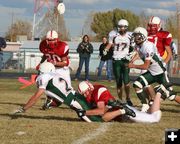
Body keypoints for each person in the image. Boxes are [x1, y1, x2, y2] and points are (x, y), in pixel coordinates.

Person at [13, 62, 102, 122]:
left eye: (39, 71)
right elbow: (59, 95)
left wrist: (24, 108)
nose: (39, 72)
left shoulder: (44, 77)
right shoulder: (56, 75)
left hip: (75, 102)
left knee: (98, 120)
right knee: (91, 115)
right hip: (76, 98)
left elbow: (37, 95)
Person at [128, 27, 171, 112]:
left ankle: (156, 97)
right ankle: (145, 104)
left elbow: (145, 66)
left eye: (137, 36)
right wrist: (132, 60)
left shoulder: (148, 46)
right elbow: (140, 53)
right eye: (135, 36)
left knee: (170, 94)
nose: (135, 38)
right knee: (137, 84)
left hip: (160, 72)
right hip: (152, 72)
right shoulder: (140, 45)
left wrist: (133, 65)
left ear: (143, 36)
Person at [36, 30, 72, 109]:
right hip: (51, 68)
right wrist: (41, 63)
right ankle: (49, 100)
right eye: (49, 40)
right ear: (46, 40)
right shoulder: (43, 45)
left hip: (62, 69)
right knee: (49, 85)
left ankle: (71, 103)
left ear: (56, 39)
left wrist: (55, 63)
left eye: (52, 40)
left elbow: (65, 62)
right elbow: (45, 54)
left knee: (67, 89)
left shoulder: (62, 46)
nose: (51, 42)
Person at [103, 19, 133, 106]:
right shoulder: (113, 34)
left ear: (126, 27)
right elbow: (110, 43)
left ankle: (128, 98)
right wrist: (106, 49)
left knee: (126, 80)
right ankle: (120, 100)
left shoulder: (130, 35)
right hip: (116, 59)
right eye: (120, 27)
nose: (122, 29)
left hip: (125, 59)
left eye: (123, 27)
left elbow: (134, 48)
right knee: (119, 81)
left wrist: (130, 55)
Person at [145, 16, 173, 102]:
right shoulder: (146, 34)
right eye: (151, 25)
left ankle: (157, 98)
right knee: (144, 84)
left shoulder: (164, 34)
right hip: (149, 63)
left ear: (159, 25)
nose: (152, 27)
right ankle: (151, 102)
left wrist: (164, 63)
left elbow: (169, 53)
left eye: (154, 26)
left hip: (159, 63)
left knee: (170, 92)